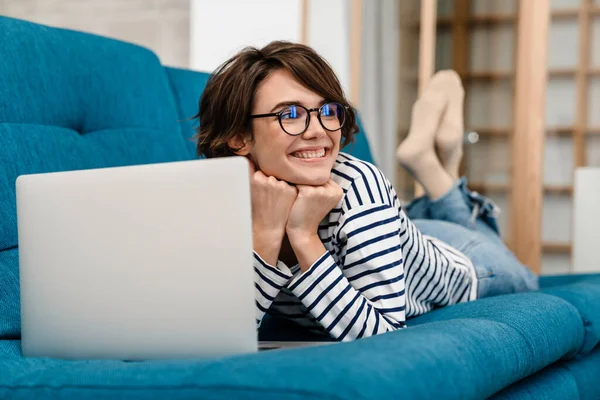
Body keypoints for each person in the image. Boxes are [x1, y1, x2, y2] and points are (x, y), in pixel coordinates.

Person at [194, 41, 538, 342]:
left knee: (523, 276)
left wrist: (303, 234)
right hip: (401, 237)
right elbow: (226, 333)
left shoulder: (360, 187)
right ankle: (437, 170)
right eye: (292, 114)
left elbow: (384, 337)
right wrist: (267, 232)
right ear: (239, 137)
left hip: (471, 263)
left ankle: (436, 166)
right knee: (405, 226)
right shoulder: (226, 197)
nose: (318, 131)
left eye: (328, 111)